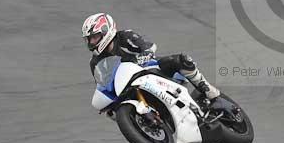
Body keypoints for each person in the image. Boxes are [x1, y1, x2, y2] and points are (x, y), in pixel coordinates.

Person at [82, 13, 220, 100]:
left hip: (150, 68)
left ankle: (206, 88)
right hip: (128, 86)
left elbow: (149, 46)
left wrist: (144, 55)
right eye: (89, 39)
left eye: (95, 37)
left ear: (106, 31)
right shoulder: (95, 62)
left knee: (181, 60)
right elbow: (102, 85)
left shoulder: (125, 37)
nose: (92, 42)